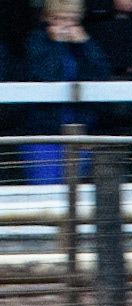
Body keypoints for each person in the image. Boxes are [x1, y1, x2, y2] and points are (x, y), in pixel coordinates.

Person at [22, 0, 111, 183]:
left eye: (71, 19)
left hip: (80, 133)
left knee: (76, 195)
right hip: (44, 136)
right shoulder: (35, 42)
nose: (65, 25)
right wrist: (56, 45)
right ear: (46, 18)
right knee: (45, 194)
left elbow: (101, 75)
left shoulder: (84, 43)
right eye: (58, 19)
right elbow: (47, 76)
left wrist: (85, 44)